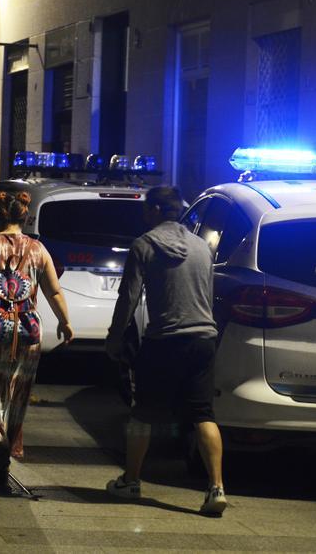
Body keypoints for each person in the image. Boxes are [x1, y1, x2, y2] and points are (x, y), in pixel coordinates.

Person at [103, 186, 226, 515]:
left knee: (142, 413)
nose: (144, 215)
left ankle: (131, 481)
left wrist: (115, 339)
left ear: (156, 211)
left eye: (147, 209)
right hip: (203, 339)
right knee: (202, 414)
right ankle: (216, 488)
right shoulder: (202, 248)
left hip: (165, 340)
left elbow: (128, 298)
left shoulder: (144, 245)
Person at [0, 190, 74, 492]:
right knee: (14, 397)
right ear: (24, 216)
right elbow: (54, 291)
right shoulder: (38, 249)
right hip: (28, 331)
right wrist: (65, 322)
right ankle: (2, 468)